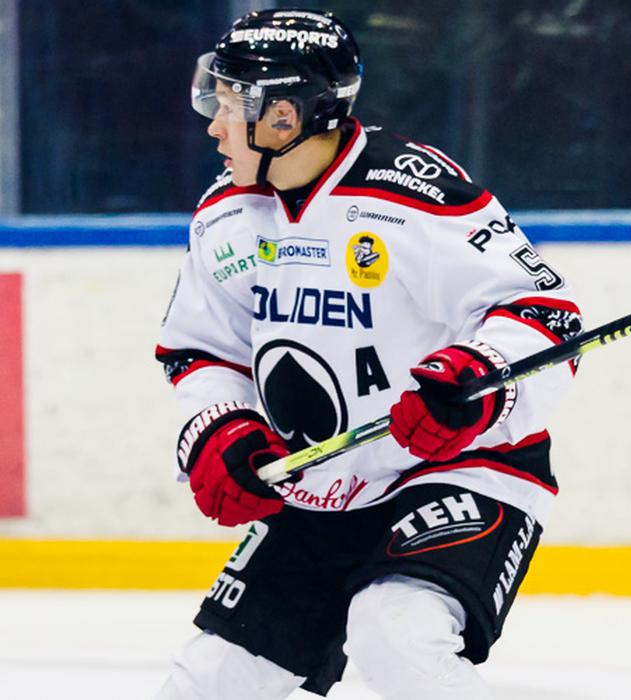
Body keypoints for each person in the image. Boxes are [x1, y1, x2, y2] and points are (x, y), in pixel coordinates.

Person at [155, 8, 583, 700]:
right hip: (318, 486)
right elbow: (199, 350)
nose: (213, 124)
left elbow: (545, 314)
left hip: (460, 469)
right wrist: (221, 430)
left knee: (395, 638)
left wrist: (477, 384)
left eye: (231, 103)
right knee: (209, 683)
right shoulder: (225, 214)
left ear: (284, 116)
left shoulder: (414, 194)